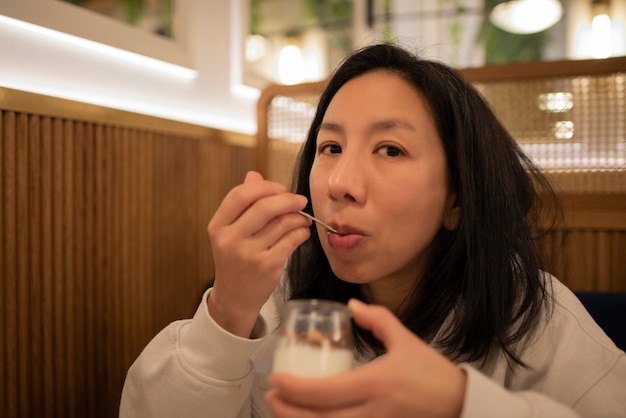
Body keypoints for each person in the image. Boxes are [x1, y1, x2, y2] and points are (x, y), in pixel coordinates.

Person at [119, 43, 626, 418]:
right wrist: (227, 311)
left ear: (457, 199)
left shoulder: (531, 313)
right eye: (330, 148)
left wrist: (460, 401)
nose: (340, 183)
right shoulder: (280, 294)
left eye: (390, 149)